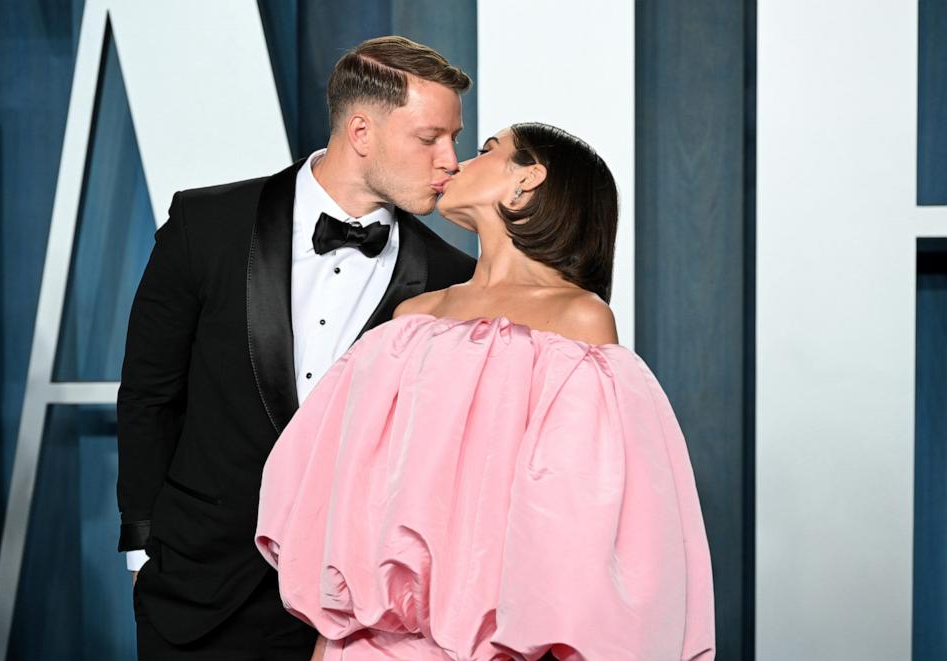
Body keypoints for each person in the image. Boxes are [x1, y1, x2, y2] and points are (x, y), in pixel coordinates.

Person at [256, 123, 717, 660]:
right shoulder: (410, 322)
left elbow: (579, 524)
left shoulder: (578, 322)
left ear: (527, 179)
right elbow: (346, 504)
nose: (454, 163)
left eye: (485, 151)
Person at [117, 36, 476, 660]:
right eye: (430, 138)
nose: (451, 159)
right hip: (198, 590)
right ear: (361, 130)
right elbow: (150, 393)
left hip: (355, 617)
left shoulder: (451, 277)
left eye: (455, 138)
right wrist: (145, 550)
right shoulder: (207, 224)